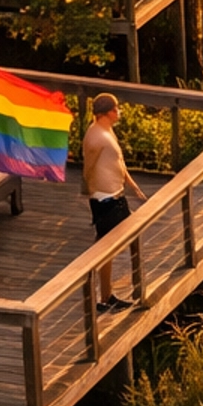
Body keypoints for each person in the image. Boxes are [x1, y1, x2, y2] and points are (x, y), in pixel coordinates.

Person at [82, 92, 146, 315]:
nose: (119, 111)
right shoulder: (95, 137)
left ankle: (107, 295)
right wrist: (90, 190)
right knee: (106, 247)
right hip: (105, 199)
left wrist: (134, 187)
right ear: (107, 112)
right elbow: (88, 166)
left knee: (120, 240)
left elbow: (119, 162)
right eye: (116, 108)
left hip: (117, 196)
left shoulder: (108, 131)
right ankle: (104, 298)